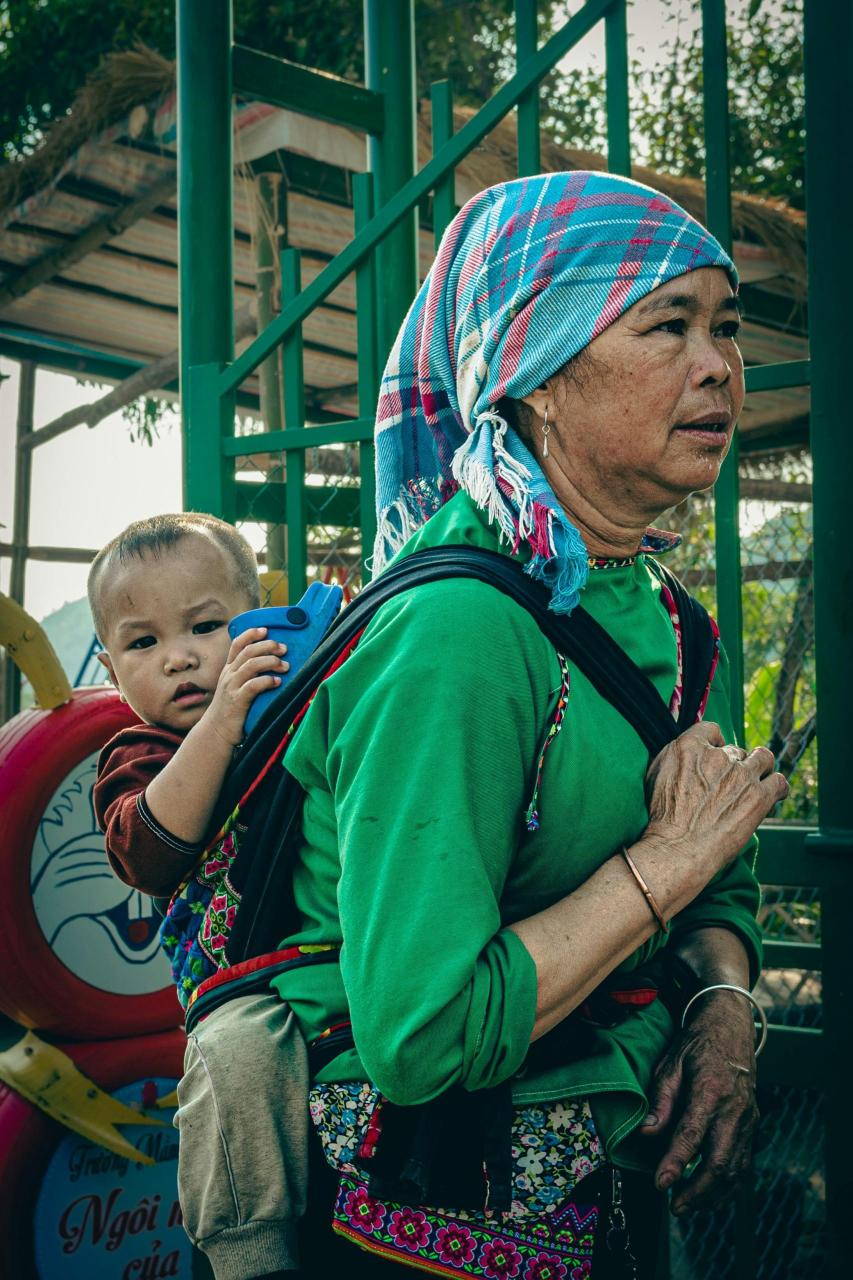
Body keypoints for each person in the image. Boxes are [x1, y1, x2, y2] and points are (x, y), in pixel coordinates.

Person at [268, 171, 788, 1279]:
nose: (719, 367)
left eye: (726, 326)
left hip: (612, 1196)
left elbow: (722, 882)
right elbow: (422, 1033)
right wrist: (660, 866)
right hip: (425, 1219)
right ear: (534, 374)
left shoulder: (667, 618)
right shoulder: (457, 629)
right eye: (666, 324)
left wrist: (726, 1012)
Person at [90, 513, 304, 1280]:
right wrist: (223, 719)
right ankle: (250, 1255)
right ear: (113, 674)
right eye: (142, 643)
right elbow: (151, 850)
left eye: (205, 626)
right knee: (233, 1063)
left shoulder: (292, 712)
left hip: (333, 955)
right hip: (235, 989)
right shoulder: (139, 754)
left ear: (252, 621)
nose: (179, 657)